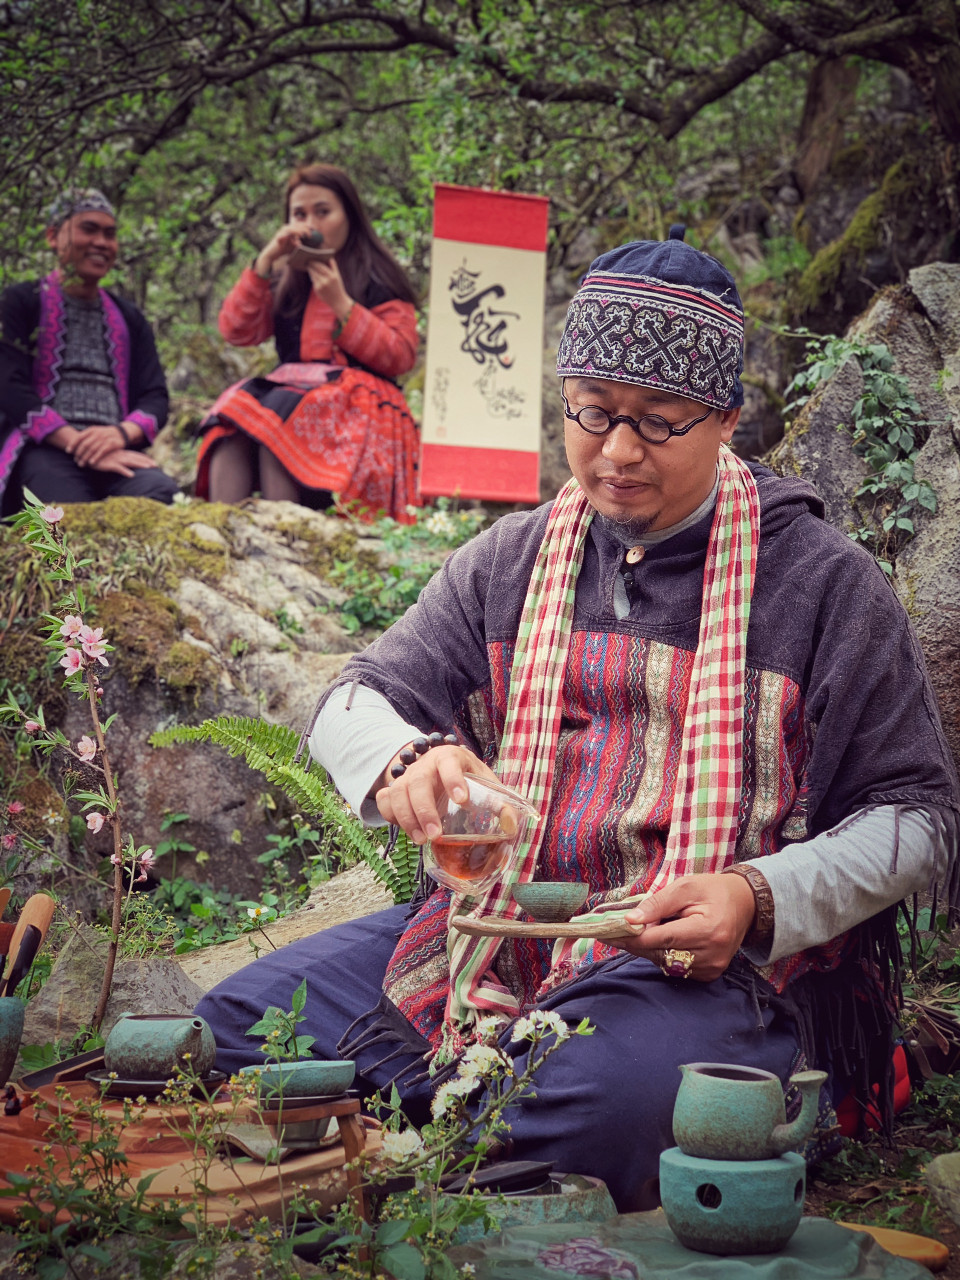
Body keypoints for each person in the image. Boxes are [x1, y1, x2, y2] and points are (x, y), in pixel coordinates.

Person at [196, 234, 959, 1212]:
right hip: (489, 935)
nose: (617, 450)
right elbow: (351, 698)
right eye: (592, 412)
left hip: (701, 976)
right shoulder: (512, 560)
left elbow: (921, 814)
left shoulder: (821, 583)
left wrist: (756, 894)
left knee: (587, 1105)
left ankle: (441, 1138)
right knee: (231, 1026)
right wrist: (406, 759)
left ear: (726, 416)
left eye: (657, 421)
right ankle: (468, 1131)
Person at [195, 163, 420, 521]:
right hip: (293, 396)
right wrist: (265, 261)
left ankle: (285, 534)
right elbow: (235, 330)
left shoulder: (378, 274)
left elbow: (401, 354)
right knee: (232, 417)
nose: (311, 224)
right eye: (299, 214)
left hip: (359, 401)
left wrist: (342, 304)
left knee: (282, 419)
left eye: (323, 212)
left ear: (350, 216)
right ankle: (222, 535)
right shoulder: (285, 276)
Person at [0, 188, 178, 514]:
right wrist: (77, 442)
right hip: (42, 449)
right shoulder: (19, 302)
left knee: (161, 494)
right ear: (53, 236)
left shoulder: (130, 318)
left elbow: (155, 396)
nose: (101, 242)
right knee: (66, 514)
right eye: (88, 229)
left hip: (116, 450)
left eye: (110, 234)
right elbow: (9, 387)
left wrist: (118, 435)